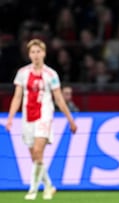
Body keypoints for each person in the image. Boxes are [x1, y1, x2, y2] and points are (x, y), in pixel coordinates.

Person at [5, 39, 77, 200]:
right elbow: (17, 97)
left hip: (44, 115)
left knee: (38, 151)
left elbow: (59, 99)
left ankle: (32, 190)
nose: (36, 55)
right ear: (29, 54)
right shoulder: (22, 73)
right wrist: (10, 118)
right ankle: (49, 186)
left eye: (38, 51)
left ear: (44, 53)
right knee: (35, 157)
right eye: (33, 52)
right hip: (27, 117)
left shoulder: (51, 75)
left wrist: (70, 120)